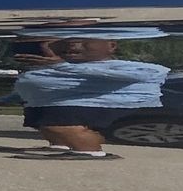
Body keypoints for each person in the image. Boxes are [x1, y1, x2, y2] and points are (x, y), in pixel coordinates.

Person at [10, 35, 168, 160]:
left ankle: (90, 151)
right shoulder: (60, 64)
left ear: (111, 46)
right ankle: (59, 146)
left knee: (59, 125)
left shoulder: (130, 66)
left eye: (82, 41)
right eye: (65, 41)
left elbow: (145, 75)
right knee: (44, 124)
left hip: (107, 104)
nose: (71, 45)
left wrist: (62, 66)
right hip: (53, 102)